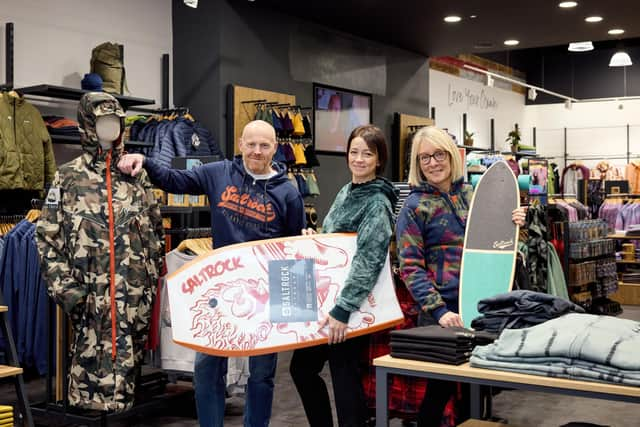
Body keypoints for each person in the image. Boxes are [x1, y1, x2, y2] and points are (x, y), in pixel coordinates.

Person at [117, 120, 306, 427]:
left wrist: (293, 310)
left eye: (265, 145)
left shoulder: (287, 192)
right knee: (206, 368)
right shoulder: (218, 172)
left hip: (264, 295)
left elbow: (293, 253)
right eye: (251, 144)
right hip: (220, 289)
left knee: (261, 373)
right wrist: (146, 162)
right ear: (241, 144)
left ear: (275, 148)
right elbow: (174, 180)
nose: (257, 151)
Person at [36, 92, 165, 412]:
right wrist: (70, 294)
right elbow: (47, 240)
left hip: (132, 303)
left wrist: (147, 286)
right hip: (88, 305)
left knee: (127, 394)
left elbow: (155, 233)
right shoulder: (68, 177)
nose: (111, 129)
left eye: (116, 122)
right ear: (87, 126)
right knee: (90, 396)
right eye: (102, 122)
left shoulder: (137, 176)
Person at [395, 126, 526, 427]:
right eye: (424, 157)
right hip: (440, 314)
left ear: (451, 156)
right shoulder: (414, 207)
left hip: (479, 305)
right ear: (417, 164)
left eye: (438, 154)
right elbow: (410, 267)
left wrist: (517, 223)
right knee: (438, 390)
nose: (432, 163)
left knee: (475, 388)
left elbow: (501, 248)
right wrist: (439, 311)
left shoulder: (473, 194)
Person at [289, 124, 398, 427]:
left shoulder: (377, 202)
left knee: (345, 379)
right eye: (354, 152)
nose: (359, 159)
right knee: (304, 369)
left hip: (349, 307)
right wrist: (318, 238)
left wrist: (343, 310)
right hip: (328, 302)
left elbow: (369, 259)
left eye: (367, 153)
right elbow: (337, 240)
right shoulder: (347, 191)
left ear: (379, 159)